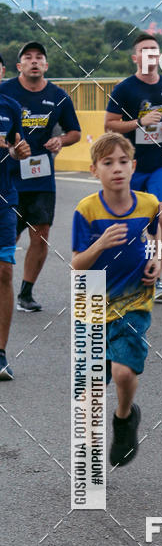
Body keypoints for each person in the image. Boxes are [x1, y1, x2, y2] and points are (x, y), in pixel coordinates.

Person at [71, 132, 162, 467]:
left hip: (134, 299)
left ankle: (124, 418)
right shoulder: (86, 210)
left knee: (124, 373)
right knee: (91, 389)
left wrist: (158, 260)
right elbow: (77, 264)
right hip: (92, 300)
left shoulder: (148, 204)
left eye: (123, 161)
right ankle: (88, 461)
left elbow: (159, 233)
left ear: (133, 166)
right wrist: (100, 245)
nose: (117, 169)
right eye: (108, 163)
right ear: (94, 170)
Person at [104, 32, 162, 303]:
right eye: (144, 50)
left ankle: (156, 277)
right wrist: (139, 122)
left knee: (160, 217)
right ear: (135, 58)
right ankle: (123, 272)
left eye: (154, 49)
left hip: (161, 162)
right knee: (131, 222)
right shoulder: (125, 89)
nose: (150, 54)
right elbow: (110, 124)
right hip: (131, 165)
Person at [2, 41, 81, 312]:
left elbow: (75, 132)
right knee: (7, 237)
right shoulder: (5, 92)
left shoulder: (58, 96)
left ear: (46, 65)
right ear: (19, 65)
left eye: (39, 57)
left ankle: (26, 293)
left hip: (41, 176)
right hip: (8, 176)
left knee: (41, 232)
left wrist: (61, 140)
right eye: (28, 57)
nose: (34, 61)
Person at [0, 91, 31, 378]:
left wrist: (17, 153)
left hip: (4, 199)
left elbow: (16, 149)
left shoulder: (10, 107)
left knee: (4, 272)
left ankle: (0, 354)